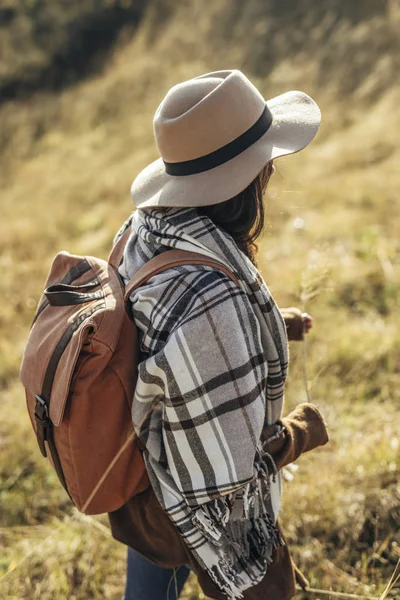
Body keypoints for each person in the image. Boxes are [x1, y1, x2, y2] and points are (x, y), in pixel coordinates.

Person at [111, 69, 329, 600]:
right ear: (245, 183)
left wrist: (269, 325)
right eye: (267, 167)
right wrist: (300, 432)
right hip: (186, 506)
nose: (271, 175)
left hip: (143, 471)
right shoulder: (215, 304)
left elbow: (172, 344)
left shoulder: (147, 228)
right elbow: (226, 483)